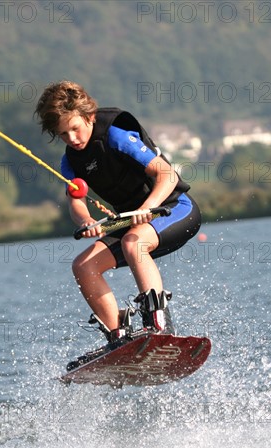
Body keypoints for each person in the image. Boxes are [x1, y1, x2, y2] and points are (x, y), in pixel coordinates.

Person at [35, 81, 201, 357]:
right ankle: (118, 337)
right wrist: (86, 221)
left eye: (75, 128)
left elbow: (167, 174)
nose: (72, 139)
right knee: (83, 266)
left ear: (89, 117)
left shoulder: (115, 136)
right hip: (134, 224)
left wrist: (148, 207)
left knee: (133, 243)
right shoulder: (71, 161)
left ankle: (159, 323)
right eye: (63, 134)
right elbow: (76, 201)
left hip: (173, 209)